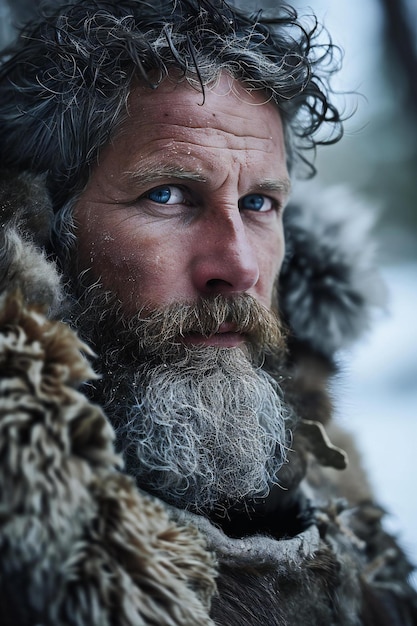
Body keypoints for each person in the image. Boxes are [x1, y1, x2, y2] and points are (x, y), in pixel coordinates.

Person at [0, 0, 416, 624]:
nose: (239, 267)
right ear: (41, 232)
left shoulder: (337, 496)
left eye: (257, 202)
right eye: (167, 195)